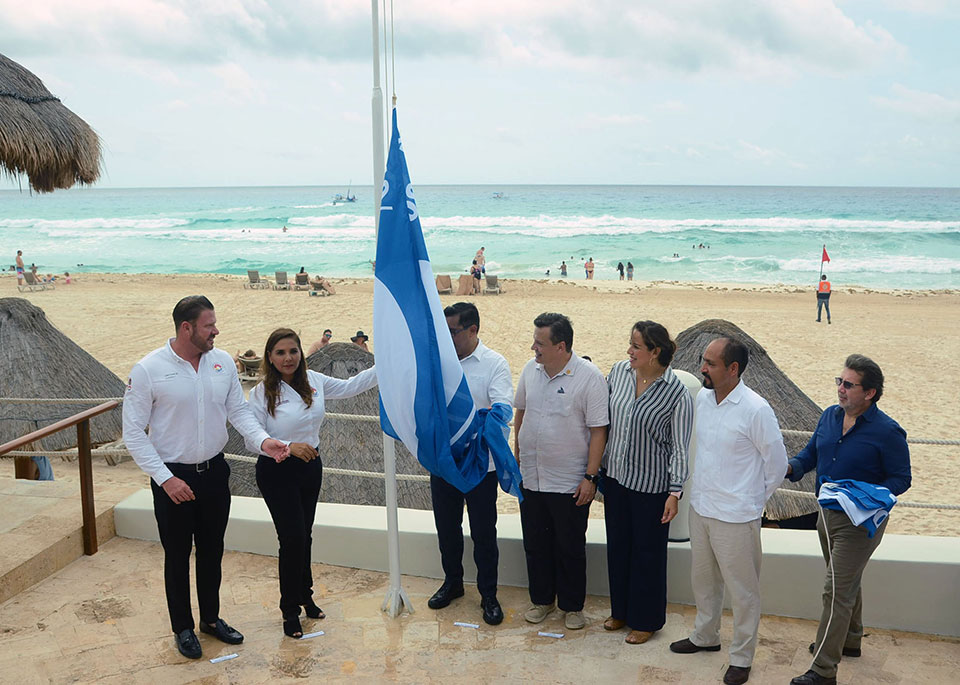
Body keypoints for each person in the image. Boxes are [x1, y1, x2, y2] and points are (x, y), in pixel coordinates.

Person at [122, 296, 289, 660]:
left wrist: (264, 441)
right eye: (208, 325)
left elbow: (239, 413)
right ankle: (182, 627)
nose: (216, 330)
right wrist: (166, 480)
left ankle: (211, 620)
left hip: (215, 472)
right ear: (186, 328)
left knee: (212, 551)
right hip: (173, 477)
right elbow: (133, 432)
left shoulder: (223, 362)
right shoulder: (148, 369)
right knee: (177, 556)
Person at [785, 355, 910, 685]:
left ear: (869, 393)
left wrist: (866, 495)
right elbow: (811, 454)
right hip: (826, 515)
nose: (840, 389)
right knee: (844, 582)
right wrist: (789, 468)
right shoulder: (829, 417)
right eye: (838, 382)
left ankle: (823, 670)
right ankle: (851, 638)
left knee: (835, 590)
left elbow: (901, 478)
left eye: (848, 384)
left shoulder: (888, 432)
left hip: (860, 522)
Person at [669, 337, 787, 685]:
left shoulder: (756, 409)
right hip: (701, 508)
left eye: (710, 363)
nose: (702, 368)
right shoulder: (703, 400)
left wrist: (752, 501)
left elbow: (777, 465)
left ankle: (741, 657)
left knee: (743, 592)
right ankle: (705, 636)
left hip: (737, 517)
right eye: (703, 361)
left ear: (733, 369)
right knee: (703, 583)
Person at [246, 328, 378, 638]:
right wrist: (287, 445)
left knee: (304, 535)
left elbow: (350, 386)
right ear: (269, 357)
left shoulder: (314, 382)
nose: (288, 358)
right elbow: (253, 438)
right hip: (277, 470)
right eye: (280, 352)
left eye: (293, 351)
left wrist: (387, 364)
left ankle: (305, 595)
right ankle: (289, 610)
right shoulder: (261, 393)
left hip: (310, 468)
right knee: (291, 539)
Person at [514, 312, 608, 630]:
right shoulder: (531, 370)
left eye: (540, 343)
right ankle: (542, 601)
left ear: (561, 346)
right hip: (532, 478)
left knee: (569, 547)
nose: (533, 348)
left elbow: (598, 431)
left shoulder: (589, 377)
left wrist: (590, 478)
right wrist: (517, 455)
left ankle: (571, 606)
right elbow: (521, 412)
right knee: (535, 545)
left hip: (569, 482)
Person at [603, 321, 692, 645]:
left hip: (652, 488)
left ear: (655, 352)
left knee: (648, 556)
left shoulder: (676, 393)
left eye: (636, 346)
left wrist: (674, 491)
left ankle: (646, 621)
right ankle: (621, 612)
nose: (629, 351)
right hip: (615, 479)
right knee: (619, 549)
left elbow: (680, 447)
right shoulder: (618, 373)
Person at [427, 302, 513, 626]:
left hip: (480, 466)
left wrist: (472, 430)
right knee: (447, 529)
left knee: (483, 533)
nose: (448, 338)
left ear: (473, 329)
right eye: (445, 332)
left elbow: (503, 409)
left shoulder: (494, 363)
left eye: (453, 332)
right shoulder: (440, 364)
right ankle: (452, 583)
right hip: (444, 464)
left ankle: (488, 594)